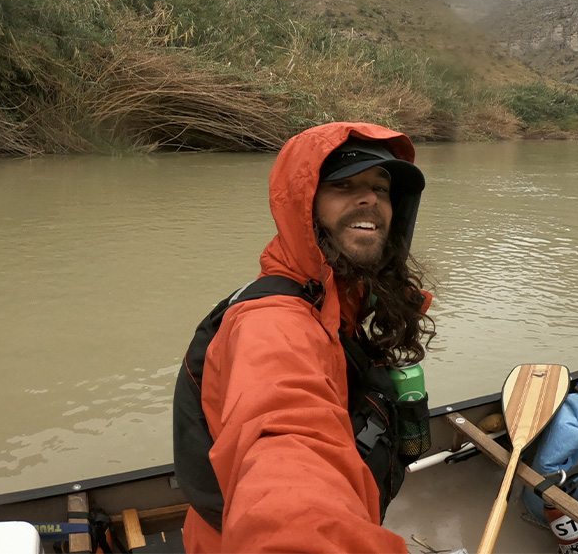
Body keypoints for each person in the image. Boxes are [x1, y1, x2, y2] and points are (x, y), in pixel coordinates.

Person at [173, 121, 435, 553]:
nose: (369, 198)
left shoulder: (338, 302)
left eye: (381, 188)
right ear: (305, 205)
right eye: (344, 185)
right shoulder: (274, 324)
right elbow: (286, 451)